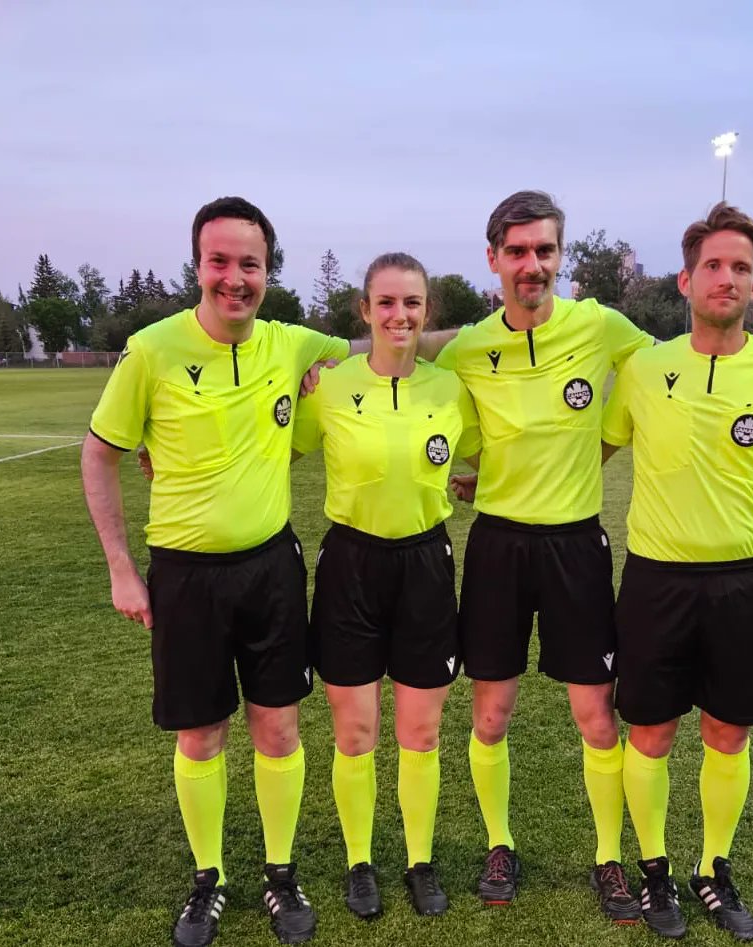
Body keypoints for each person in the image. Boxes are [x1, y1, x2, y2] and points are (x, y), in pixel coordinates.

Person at [435, 190, 753, 923]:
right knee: (490, 715)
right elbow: (413, 392)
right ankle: (499, 843)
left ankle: (612, 858)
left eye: (545, 250)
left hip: (579, 544)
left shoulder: (605, 328)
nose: (532, 264)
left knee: (599, 718)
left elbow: (688, 357)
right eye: (517, 251)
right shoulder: (464, 350)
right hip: (496, 545)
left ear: (560, 257)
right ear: (493, 260)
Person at [81, 196, 354, 947]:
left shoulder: (292, 343)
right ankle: (209, 879)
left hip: (270, 568)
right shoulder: (152, 350)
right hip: (185, 575)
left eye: (251, 264)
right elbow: (99, 455)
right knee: (201, 735)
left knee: (278, 726)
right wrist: (121, 570)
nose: (235, 278)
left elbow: (382, 347)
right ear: (197, 265)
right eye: (221, 262)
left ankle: (280, 871)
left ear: (270, 271)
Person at [601, 202, 753, 941]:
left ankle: (713, 868)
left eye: (740, 268)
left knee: (729, 733)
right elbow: (592, 451)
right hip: (656, 580)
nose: (725, 278)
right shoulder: (643, 367)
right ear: (686, 278)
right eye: (713, 265)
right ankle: (657, 870)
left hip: (746, 583)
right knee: (652, 732)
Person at [292, 252, 481, 920]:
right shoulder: (331, 387)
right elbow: (274, 445)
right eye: (387, 303)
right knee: (355, 731)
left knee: (422, 731)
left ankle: (420, 860)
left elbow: (494, 454)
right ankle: (359, 861)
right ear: (364, 310)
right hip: (351, 566)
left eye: (412, 303)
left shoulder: (451, 388)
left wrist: (475, 479)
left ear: (427, 311)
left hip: (427, 566)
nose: (400, 315)